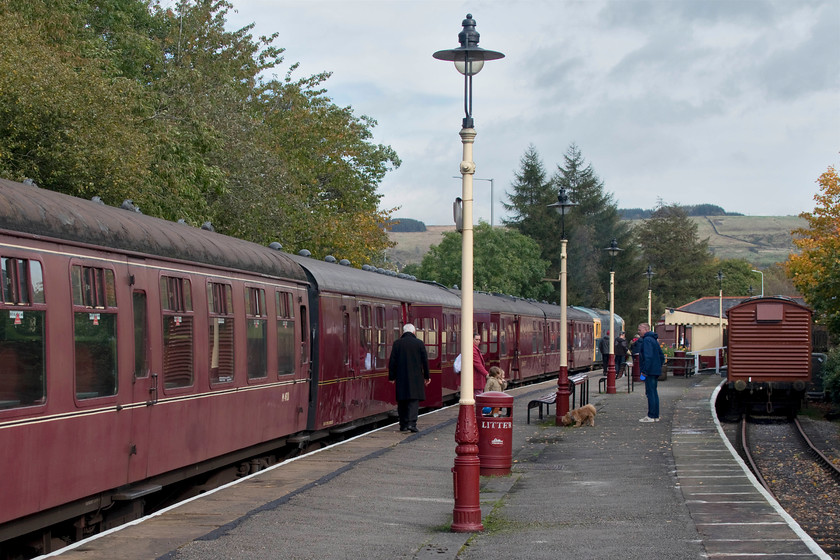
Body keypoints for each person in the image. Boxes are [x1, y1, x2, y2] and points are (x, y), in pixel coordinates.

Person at [388, 323, 431, 432]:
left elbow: (392, 361)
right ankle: (412, 424)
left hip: (401, 377)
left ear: (403, 332)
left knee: (402, 401)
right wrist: (427, 376)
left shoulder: (397, 344)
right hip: (416, 378)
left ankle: (403, 425)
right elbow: (425, 361)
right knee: (413, 401)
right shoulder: (419, 343)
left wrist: (392, 377)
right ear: (413, 332)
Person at [638, 322, 665, 423]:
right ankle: (655, 415)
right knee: (654, 392)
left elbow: (647, 357)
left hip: (649, 372)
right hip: (655, 370)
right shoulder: (654, 340)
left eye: (639, 330)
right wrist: (658, 366)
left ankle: (651, 415)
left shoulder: (647, 340)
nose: (638, 332)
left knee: (650, 392)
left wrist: (644, 371)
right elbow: (661, 356)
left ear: (645, 329)